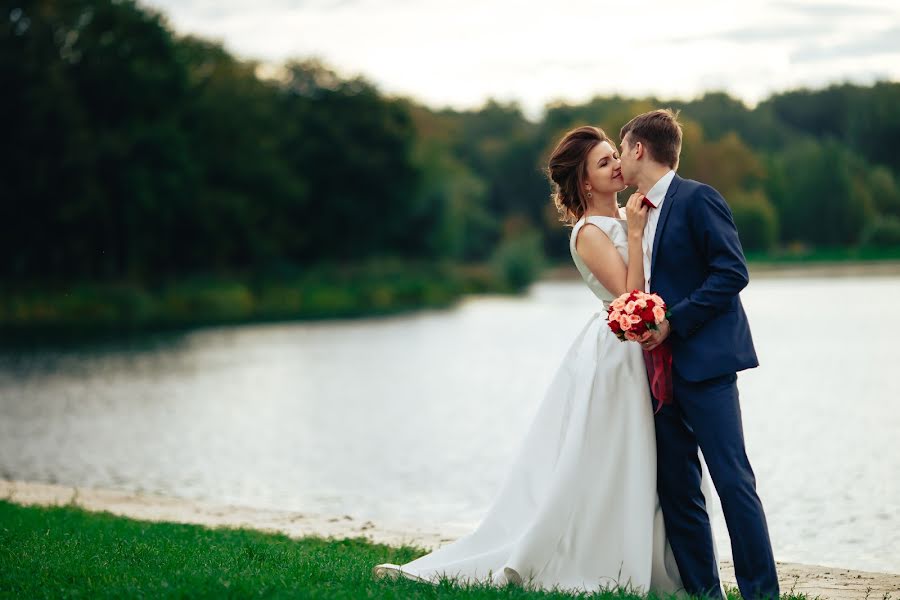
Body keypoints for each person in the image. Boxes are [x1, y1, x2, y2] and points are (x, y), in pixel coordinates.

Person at [373, 126, 685, 594]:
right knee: (616, 456)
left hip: (645, 349)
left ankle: (656, 556)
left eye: (612, 157)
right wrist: (637, 232)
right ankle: (599, 556)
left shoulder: (628, 214)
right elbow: (632, 297)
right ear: (583, 183)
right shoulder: (589, 233)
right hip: (617, 355)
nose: (616, 166)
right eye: (604, 163)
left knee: (650, 457)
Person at [618, 109, 779, 600]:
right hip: (658, 373)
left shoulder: (698, 198)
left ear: (639, 149)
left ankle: (760, 593)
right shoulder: (639, 214)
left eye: (622, 150)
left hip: (706, 366)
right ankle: (705, 591)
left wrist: (672, 322)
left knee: (732, 481)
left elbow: (732, 273)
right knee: (679, 489)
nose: (620, 160)